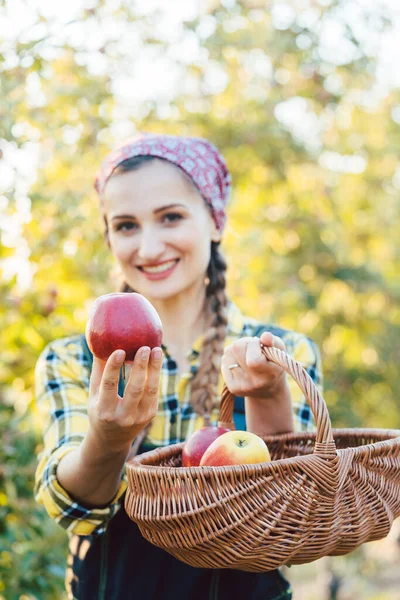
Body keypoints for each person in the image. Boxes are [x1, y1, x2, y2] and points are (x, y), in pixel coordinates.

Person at [34, 133, 323, 600]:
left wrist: (270, 396)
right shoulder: (73, 359)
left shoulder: (282, 352)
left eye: (170, 217)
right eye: (126, 225)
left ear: (215, 220)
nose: (148, 247)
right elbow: (75, 510)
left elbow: (294, 519)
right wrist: (108, 440)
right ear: (108, 237)